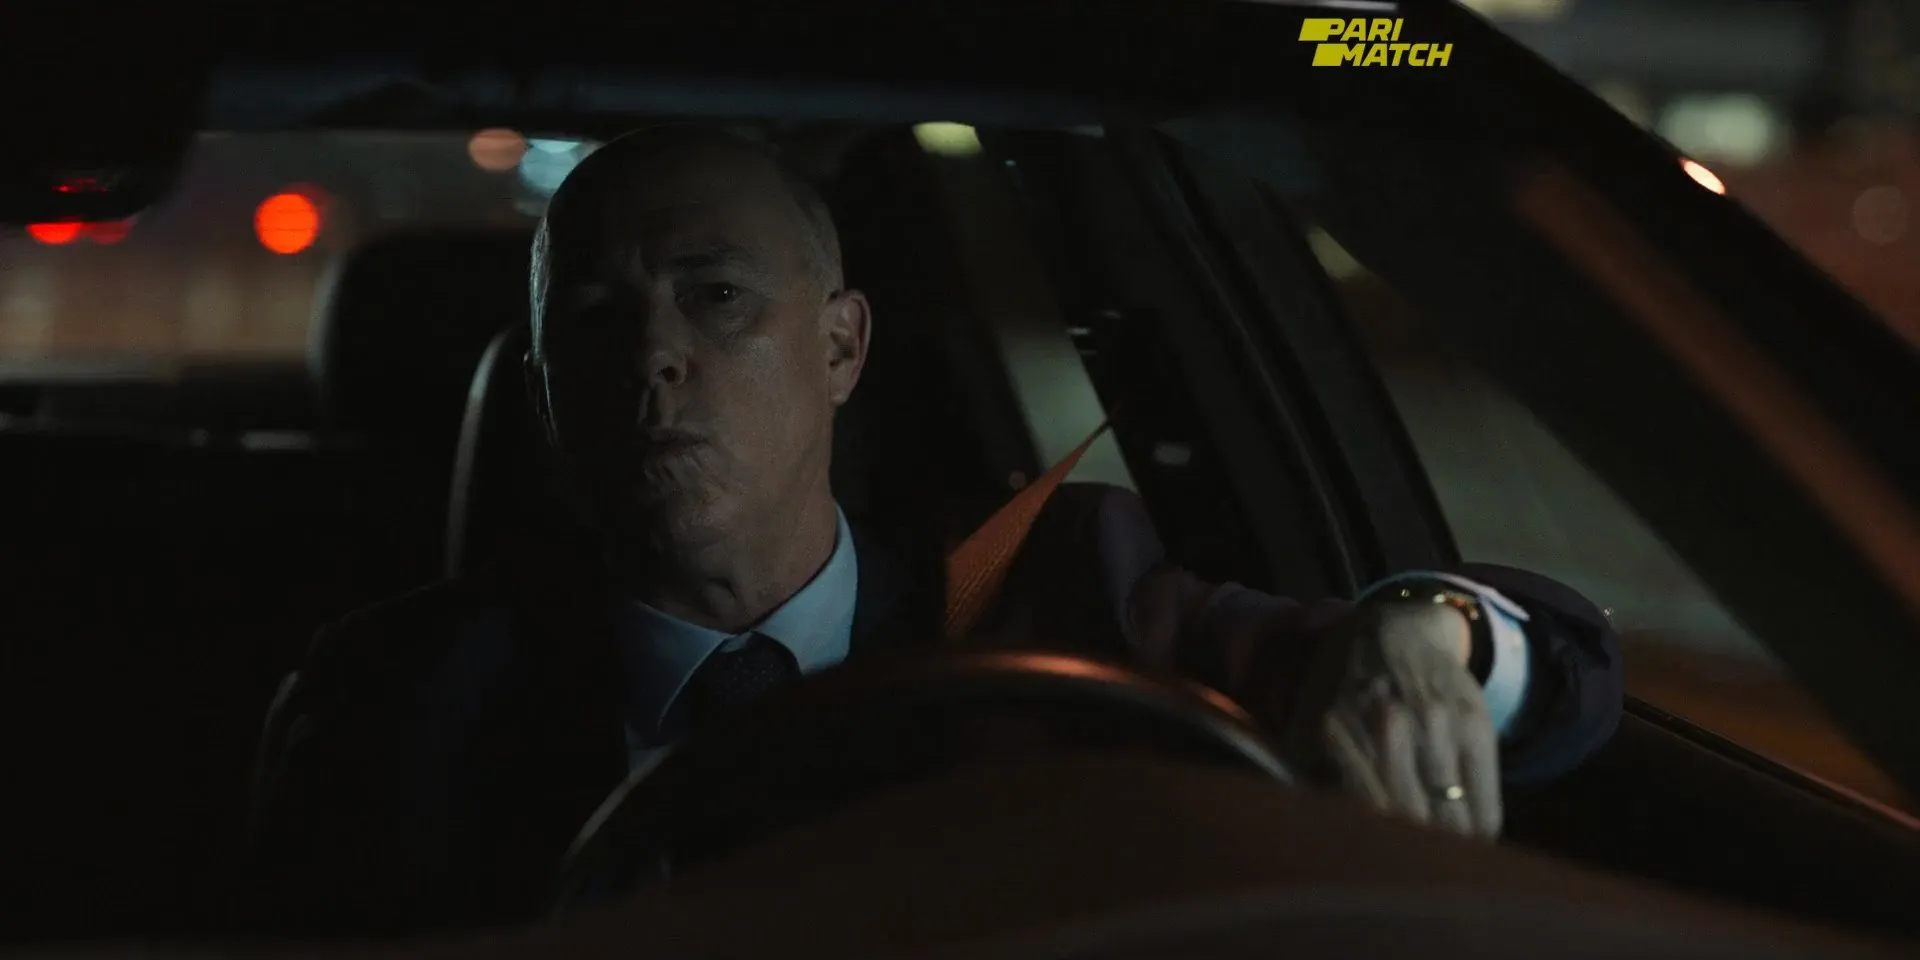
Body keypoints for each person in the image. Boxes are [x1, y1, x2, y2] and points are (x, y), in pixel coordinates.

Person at [245, 125, 1622, 939]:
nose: (652, 358)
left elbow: (1564, 670)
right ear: (549, 396)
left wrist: (1423, 631)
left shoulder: (1069, 595)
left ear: (842, 348)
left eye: (715, 297)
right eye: (598, 319)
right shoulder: (401, 698)